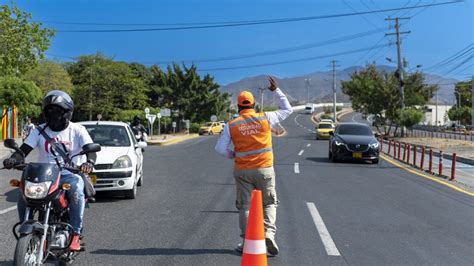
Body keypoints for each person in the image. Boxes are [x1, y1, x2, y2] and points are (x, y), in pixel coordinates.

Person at [3, 90, 97, 251]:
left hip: (69, 174)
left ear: (68, 113)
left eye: (59, 111)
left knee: (76, 190)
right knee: (22, 194)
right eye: (50, 111)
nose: (54, 114)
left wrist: (89, 162)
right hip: (44, 176)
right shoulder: (39, 130)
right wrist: (14, 159)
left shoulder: (77, 130)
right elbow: (23, 151)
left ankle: (75, 233)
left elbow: (90, 149)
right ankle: (27, 227)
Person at [215, 76, 292, 256]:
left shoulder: (231, 125)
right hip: (265, 169)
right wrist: (277, 91)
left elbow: (219, 148)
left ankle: (246, 242)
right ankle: (269, 234)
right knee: (269, 203)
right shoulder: (265, 117)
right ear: (253, 105)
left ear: (238, 106)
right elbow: (287, 109)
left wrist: (234, 154)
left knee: (245, 206)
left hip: (242, 171)